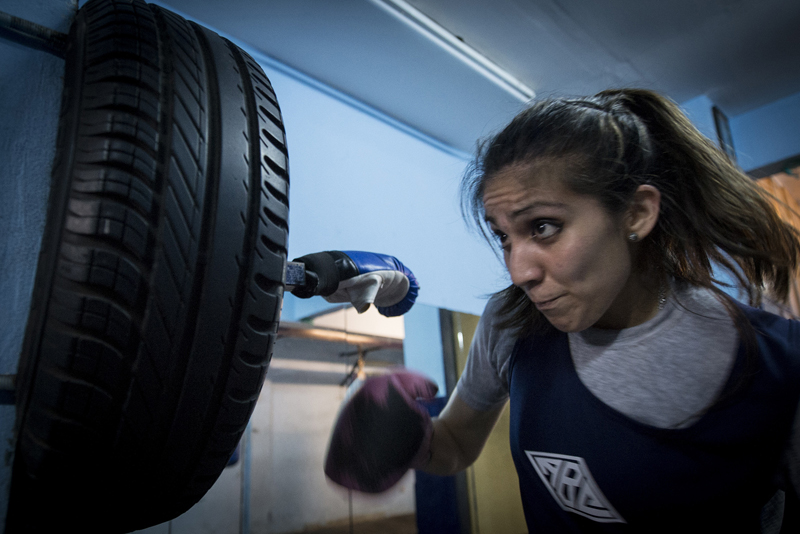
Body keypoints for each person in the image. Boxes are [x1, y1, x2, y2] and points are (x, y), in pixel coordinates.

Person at [323, 88, 800, 532]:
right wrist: (407, 438)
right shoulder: (511, 324)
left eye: (544, 226)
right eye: (504, 236)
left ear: (636, 213)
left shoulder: (777, 365)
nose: (518, 271)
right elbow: (455, 446)